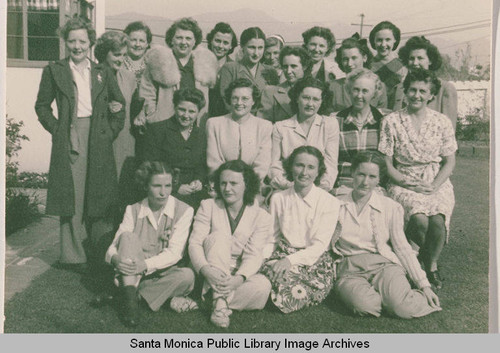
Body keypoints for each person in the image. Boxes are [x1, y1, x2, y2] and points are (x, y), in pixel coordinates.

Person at [34, 18, 125, 278]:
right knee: (72, 197)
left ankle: (97, 249)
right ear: (66, 42)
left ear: (90, 43)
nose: (77, 46)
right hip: (71, 137)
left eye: (82, 41)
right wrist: (58, 130)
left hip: (98, 137)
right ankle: (72, 256)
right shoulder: (54, 70)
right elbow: (42, 107)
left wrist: (111, 132)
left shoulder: (102, 72)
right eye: (72, 40)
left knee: (97, 193)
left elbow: (119, 104)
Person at [332, 151, 441, 318]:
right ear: (352, 172)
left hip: (384, 266)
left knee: (402, 309)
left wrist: (424, 285)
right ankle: (386, 296)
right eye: (361, 174)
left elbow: (402, 248)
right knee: (366, 306)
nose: (365, 182)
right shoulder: (335, 205)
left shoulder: (390, 207)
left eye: (372, 176)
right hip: (349, 269)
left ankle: (399, 296)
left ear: (378, 179)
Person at [378, 69, 457, 290]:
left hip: (435, 180)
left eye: (423, 91)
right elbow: (387, 163)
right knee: (420, 220)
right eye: (412, 90)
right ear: (405, 91)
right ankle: (421, 257)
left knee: (438, 221)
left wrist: (433, 185)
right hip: (403, 179)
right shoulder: (391, 121)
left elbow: (450, 162)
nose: (417, 95)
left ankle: (430, 264)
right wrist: (405, 182)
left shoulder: (442, 121)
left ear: (431, 95)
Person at [105, 161, 197, 327]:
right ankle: (132, 307)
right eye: (156, 186)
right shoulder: (133, 209)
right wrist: (115, 259)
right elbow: (114, 245)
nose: (163, 192)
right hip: (133, 272)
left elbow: (175, 253)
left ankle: (126, 295)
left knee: (187, 276)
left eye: (168, 186)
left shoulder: (184, 210)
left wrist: (144, 265)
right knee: (127, 237)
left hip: (163, 274)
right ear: (146, 185)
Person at [189, 160, 272, 328]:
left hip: (235, 274)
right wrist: (206, 269)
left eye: (233, 183)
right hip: (209, 269)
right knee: (220, 237)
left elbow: (254, 254)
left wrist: (239, 279)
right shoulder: (208, 206)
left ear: (246, 184)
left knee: (263, 287)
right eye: (223, 183)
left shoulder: (262, 216)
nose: (227, 189)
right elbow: (195, 243)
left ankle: (213, 301)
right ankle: (220, 306)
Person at [261, 146, 341, 313]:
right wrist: (263, 260)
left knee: (288, 289)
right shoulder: (278, 198)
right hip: (282, 254)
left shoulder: (330, 202)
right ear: (291, 167)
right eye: (299, 165)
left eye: (311, 167)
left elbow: (319, 246)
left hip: (314, 260)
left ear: (319, 171)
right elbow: (272, 238)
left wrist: (289, 261)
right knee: (267, 274)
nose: (304, 172)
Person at [94, 31, 143, 213]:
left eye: (124, 54)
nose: (121, 59)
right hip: (102, 139)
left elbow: (134, 109)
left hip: (125, 140)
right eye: (116, 54)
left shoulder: (129, 78)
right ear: (103, 52)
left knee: (124, 189)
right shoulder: (93, 75)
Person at [139, 17, 218, 128]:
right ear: (172, 40)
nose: (183, 42)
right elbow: (147, 93)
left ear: (195, 41)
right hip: (164, 124)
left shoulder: (205, 65)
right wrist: (153, 116)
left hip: (194, 125)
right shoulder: (158, 61)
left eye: (188, 38)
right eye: (179, 38)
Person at [141, 88, 208, 209]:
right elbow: (150, 167)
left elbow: (202, 165)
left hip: (194, 193)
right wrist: (175, 187)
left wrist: (199, 181)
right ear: (175, 107)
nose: (186, 115)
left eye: (191, 111)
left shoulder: (201, 134)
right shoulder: (157, 130)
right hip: (165, 193)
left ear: (198, 112)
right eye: (182, 109)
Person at [269, 76, 339, 192]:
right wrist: (290, 186)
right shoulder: (280, 127)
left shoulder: (329, 125)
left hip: (319, 190)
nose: (310, 104)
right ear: (297, 98)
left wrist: (319, 189)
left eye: (316, 99)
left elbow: (331, 164)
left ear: (322, 101)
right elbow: (274, 166)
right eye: (306, 98)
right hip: (287, 188)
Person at [206, 78, 273, 181]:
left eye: (245, 99)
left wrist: (247, 186)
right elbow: (213, 162)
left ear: (253, 101)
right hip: (222, 184)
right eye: (235, 98)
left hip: (253, 185)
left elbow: (262, 165)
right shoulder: (214, 124)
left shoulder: (265, 126)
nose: (239, 103)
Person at [334, 68, 385, 194]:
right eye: (356, 89)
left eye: (365, 91)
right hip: (344, 186)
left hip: (375, 188)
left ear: (374, 93)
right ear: (349, 90)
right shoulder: (335, 120)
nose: (359, 96)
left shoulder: (384, 121)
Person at [396, 36, 458, 129]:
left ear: (430, 61)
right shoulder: (400, 88)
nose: (415, 63)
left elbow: (449, 129)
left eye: (420, 58)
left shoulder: (445, 88)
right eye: (411, 58)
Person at [217, 27, 272, 115]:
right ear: (242, 46)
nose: (256, 53)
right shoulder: (230, 68)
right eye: (252, 47)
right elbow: (227, 102)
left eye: (260, 48)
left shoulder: (270, 71)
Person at [330, 33, 387, 112]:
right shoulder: (333, 87)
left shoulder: (378, 86)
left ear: (364, 58)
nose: (349, 64)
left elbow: (381, 116)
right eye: (345, 59)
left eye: (354, 58)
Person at [259, 46, 312, 124]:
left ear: (304, 66)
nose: (288, 71)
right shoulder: (270, 92)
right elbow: (263, 125)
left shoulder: (316, 90)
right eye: (285, 66)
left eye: (293, 66)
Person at [368, 21, 407, 110]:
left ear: (395, 40)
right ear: (373, 41)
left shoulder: (403, 66)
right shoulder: (368, 66)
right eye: (379, 40)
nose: (383, 44)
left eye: (388, 40)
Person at [206, 22, 238, 117]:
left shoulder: (235, 68)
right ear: (211, 40)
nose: (220, 46)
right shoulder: (200, 63)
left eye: (225, 43)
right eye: (217, 41)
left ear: (231, 46)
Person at [123, 21, 152, 87]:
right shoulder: (118, 63)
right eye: (133, 40)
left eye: (141, 41)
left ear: (147, 44)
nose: (137, 44)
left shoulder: (152, 65)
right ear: (126, 41)